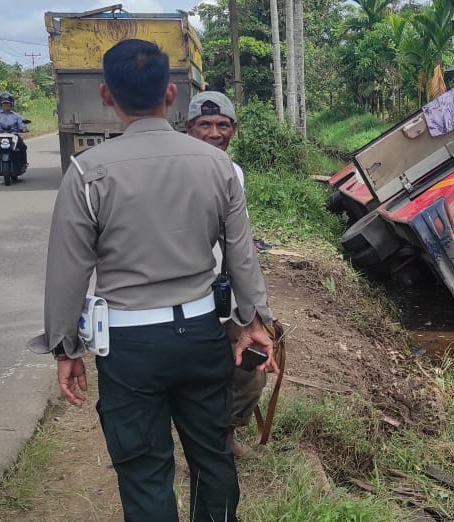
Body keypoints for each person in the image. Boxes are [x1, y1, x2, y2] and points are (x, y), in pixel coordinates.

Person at [33, 39, 275, 522]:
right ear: (170, 94)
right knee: (213, 456)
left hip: (129, 346)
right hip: (202, 335)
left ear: (106, 95)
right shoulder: (218, 165)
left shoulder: (87, 172)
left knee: (144, 470)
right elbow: (240, 255)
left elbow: (67, 271)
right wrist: (254, 321)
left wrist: (66, 349)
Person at [185, 91, 264, 457]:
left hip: (225, 288)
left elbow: (240, 243)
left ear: (234, 130)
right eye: (204, 124)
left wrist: (255, 308)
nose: (214, 133)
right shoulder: (174, 168)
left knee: (249, 365)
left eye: (222, 125)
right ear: (189, 129)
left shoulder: (235, 173)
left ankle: (225, 434)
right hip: (184, 292)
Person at [0, 92, 29, 173]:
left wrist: (24, 128)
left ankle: (23, 164)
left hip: (13, 135)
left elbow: (22, 124)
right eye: (4, 103)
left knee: (22, 147)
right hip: (0, 135)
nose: (6, 105)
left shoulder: (16, 116)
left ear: (11, 104)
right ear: (1, 104)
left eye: (8, 103)